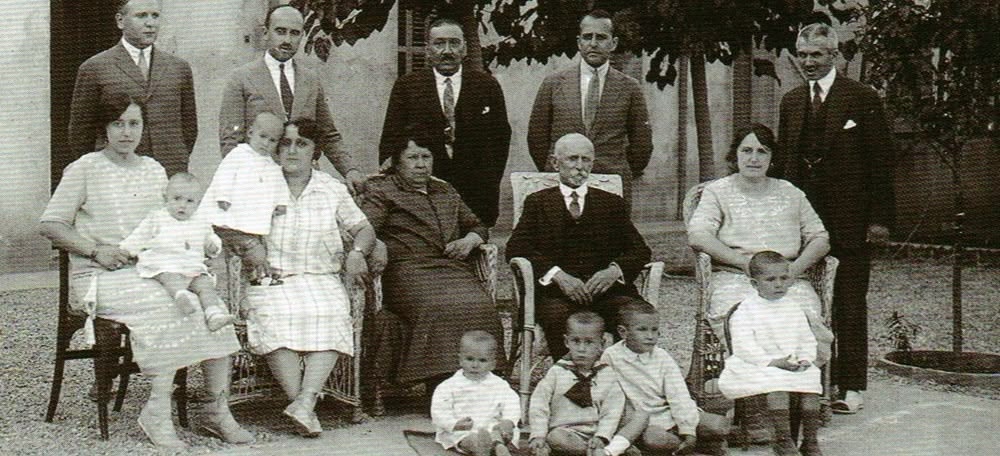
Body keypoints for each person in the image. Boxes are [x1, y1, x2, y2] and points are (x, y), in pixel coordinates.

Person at [40, 95, 250, 448]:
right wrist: (96, 250)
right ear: (104, 128)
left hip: (150, 269)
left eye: (134, 124)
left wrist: (193, 250)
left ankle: (216, 409)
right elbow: (50, 224)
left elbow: (170, 222)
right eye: (118, 124)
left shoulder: (153, 170)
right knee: (170, 305)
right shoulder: (84, 168)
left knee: (209, 304)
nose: (126, 132)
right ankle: (156, 411)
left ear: (143, 127)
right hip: (98, 276)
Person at [778, 23, 896, 414]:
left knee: (848, 302)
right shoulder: (791, 101)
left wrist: (879, 220)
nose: (808, 62)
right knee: (799, 301)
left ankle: (851, 387)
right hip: (802, 224)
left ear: (834, 55)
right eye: (803, 54)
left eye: (817, 54)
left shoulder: (862, 98)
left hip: (850, 221)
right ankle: (803, 383)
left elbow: (881, 162)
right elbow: (785, 167)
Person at [243, 118, 376, 437]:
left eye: (301, 144)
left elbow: (364, 229)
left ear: (315, 152)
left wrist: (357, 252)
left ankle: (303, 404)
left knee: (330, 313)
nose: (291, 150)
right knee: (274, 314)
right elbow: (228, 224)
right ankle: (304, 404)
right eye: (285, 143)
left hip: (320, 276)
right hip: (273, 276)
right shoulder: (261, 183)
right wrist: (249, 245)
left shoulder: (331, 188)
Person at [361, 126, 506, 396]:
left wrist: (469, 241)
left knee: (481, 305)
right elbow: (364, 227)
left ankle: (484, 385)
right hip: (408, 270)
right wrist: (378, 244)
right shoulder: (383, 190)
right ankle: (440, 388)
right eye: (412, 157)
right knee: (437, 306)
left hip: (452, 268)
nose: (420, 165)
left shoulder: (445, 190)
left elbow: (477, 224)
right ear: (396, 161)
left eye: (426, 157)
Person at [506, 133, 652, 360]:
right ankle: (575, 386)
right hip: (557, 295)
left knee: (637, 319)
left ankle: (635, 381)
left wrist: (614, 271)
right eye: (572, 159)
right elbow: (516, 247)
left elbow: (640, 250)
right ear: (556, 163)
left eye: (586, 160)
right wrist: (557, 275)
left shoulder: (611, 203)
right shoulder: (538, 202)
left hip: (607, 293)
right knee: (559, 319)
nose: (580, 167)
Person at [219, 4, 365, 194]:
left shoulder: (311, 79)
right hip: (258, 184)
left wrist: (350, 169)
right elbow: (231, 141)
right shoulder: (241, 78)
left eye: (294, 33)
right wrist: (246, 184)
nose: (287, 40)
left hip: (303, 183)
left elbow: (328, 134)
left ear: (302, 36)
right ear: (265, 33)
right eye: (280, 32)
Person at [379, 18, 511, 227]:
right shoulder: (407, 87)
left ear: (465, 48)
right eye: (439, 44)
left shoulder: (486, 86)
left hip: (475, 195)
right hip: (422, 195)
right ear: (428, 49)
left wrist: (488, 183)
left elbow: (500, 141)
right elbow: (390, 142)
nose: (447, 50)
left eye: (454, 43)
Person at [527, 9, 652, 207]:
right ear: (579, 42)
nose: (593, 43)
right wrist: (557, 168)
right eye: (587, 37)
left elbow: (642, 145)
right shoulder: (553, 84)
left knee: (608, 238)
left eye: (601, 37)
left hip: (610, 185)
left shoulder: (630, 87)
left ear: (614, 43)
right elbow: (537, 138)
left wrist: (619, 171)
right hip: (562, 184)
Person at [68, 0, 197, 177]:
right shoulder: (95, 67)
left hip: (170, 170)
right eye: (141, 16)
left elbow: (189, 127)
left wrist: (176, 156)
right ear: (120, 21)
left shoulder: (179, 68)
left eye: (155, 16)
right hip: (115, 171)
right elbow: (80, 132)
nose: (150, 23)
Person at [718, 251, 827, 456]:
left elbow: (806, 338)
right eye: (770, 279)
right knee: (778, 386)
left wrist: (805, 358)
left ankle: (810, 441)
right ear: (754, 283)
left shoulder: (793, 307)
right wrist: (773, 361)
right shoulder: (746, 310)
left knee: (811, 380)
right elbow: (744, 346)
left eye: (784, 278)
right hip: (755, 363)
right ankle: (783, 440)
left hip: (790, 361)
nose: (779, 284)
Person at [601, 302, 729, 455]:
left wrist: (687, 429)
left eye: (654, 330)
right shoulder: (611, 356)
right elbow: (608, 398)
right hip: (641, 420)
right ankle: (690, 446)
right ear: (623, 332)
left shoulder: (661, 356)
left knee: (718, 425)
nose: (650, 336)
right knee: (656, 440)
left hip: (669, 412)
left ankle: (691, 441)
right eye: (642, 330)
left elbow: (678, 395)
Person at [120, 173, 234, 331]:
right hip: (164, 263)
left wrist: (213, 246)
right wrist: (125, 250)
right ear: (166, 197)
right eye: (177, 199)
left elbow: (211, 239)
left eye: (189, 201)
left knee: (205, 284)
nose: (182, 205)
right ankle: (181, 295)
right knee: (169, 276)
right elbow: (139, 236)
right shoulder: (157, 218)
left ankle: (213, 314)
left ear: (197, 203)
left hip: (191, 267)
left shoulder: (201, 221)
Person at [528, 312, 643, 456]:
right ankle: (593, 452)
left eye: (589, 342)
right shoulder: (557, 372)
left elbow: (612, 411)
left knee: (634, 414)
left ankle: (604, 448)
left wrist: (602, 436)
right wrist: (538, 434)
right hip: (567, 431)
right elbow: (539, 404)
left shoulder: (607, 374)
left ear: (601, 344)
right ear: (566, 342)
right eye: (576, 341)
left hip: (598, 431)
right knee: (556, 438)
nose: (581, 349)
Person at [201, 111, 288, 282]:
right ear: (250, 133)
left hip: (248, 222)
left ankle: (253, 279)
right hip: (228, 217)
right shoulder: (239, 154)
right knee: (243, 252)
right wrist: (223, 195)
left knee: (249, 256)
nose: (266, 143)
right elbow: (224, 174)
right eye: (262, 136)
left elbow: (280, 185)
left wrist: (281, 202)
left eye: (272, 140)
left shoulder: (272, 165)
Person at [431, 331, 520, 456]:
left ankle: (498, 446)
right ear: (460, 360)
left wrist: (508, 421)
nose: (475, 365)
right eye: (470, 359)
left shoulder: (499, 384)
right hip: (463, 428)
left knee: (498, 432)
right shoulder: (449, 386)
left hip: (491, 425)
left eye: (482, 360)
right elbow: (439, 410)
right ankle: (480, 447)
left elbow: (512, 403)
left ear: (493, 364)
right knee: (465, 438)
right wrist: (453, 423)